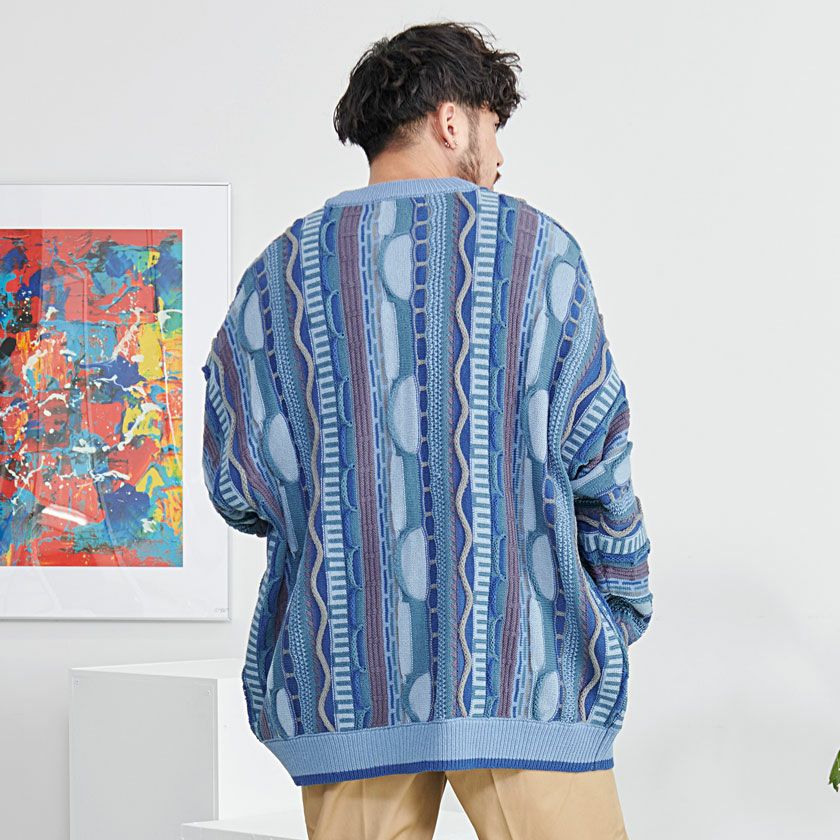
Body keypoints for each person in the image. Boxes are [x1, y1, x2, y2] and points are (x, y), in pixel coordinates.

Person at [201, 19, 653, 840]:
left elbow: (237, 487)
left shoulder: (275, 278)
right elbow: (599, 455)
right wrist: (618, 603)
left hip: (350, 678)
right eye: (492, 126)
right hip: (526, 669)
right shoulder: (537, 254)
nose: (499, 156)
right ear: (452, 120)